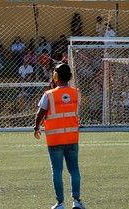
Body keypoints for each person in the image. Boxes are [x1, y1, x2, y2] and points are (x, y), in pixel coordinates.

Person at [34, 62, 85, 209]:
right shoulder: (76, 92)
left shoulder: (48, 95)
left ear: (55, 76)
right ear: (70, 76)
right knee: (74, 169)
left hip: (55, 139)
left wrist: (36, 127)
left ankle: (60, 203)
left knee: (57, 171)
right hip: (72, 138)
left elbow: (40, 113)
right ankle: (76, 201)